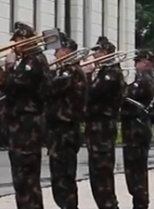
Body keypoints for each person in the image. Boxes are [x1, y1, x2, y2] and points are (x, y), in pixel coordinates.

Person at [1, 22, 50, 209]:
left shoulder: (33, 61)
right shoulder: (28, 60)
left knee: (26, 179)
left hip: (27, 127)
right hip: (22, 125)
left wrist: (9, 67)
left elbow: (11, 85)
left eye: (18, 40)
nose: (14, 45)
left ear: (26, 40)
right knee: (23, 181)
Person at [46, 34, 87, 209]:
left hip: (66, 131)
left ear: (67, 51)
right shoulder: (64, 71)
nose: (55, 55)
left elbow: (49, 88)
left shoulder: (71, 72)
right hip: (59, 131)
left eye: (58, 51)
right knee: (59, 178)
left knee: (64, 179)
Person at [84, 36, 125, 209]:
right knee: (97, 176)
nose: (95, 55)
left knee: (102, 176)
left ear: (106, 52)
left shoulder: (111, 73)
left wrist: (86, 74)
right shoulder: (104, 72)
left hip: (103, 129)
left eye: (98, 52)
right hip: (97, 129)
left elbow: (91, 94)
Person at [121, 50, 154, 209]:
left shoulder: (145, 80)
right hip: (134, 130)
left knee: (136, 172)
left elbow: (126, 94)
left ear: (145, 63)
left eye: (138, 62)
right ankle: (139, 203)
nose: (136, 65)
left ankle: (141, 205)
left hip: (137, 130)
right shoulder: (143, 79)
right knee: (134, 172)